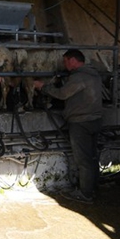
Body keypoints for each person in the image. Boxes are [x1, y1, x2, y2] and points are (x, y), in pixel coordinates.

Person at [34, 49, 103, 204]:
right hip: (95, 120)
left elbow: (63, 94)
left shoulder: (79, 77)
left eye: (65, 61)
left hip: (81, 123)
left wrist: (42, 86)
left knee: (83, 159)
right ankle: (92, 188)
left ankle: (85, 194)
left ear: (73, 60)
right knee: (92, 157)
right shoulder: (94, 74)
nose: (64, 65)